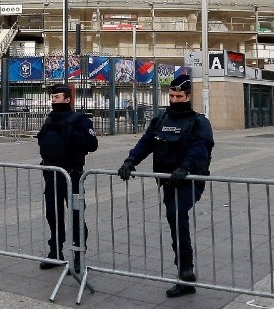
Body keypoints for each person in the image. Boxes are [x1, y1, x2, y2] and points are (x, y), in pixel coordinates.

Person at [117, 73, 214, 298]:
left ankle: (186, 271)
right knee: (174, 219)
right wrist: (130, 161)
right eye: (171, 95)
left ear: (188, 96)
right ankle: (184, 272)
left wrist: (186, 167)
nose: (173, 100)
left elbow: (200, 149)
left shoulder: (199, 122)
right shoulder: (161, 120)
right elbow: (146, 143)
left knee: (177, 214)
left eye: (179, 96)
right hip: (168, 181)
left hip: (189, 179)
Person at [36, 83, 97, 271]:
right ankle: (55, 251)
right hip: (52, 174)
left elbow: (92, 144)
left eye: (57, 97)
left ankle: (78, 255)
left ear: (68, 99)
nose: (53, 100)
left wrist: (72, 134)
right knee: (53, 215)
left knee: (76, 215)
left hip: (72, 174)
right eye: (53, 97)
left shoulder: (80, 120)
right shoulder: (49, 119)